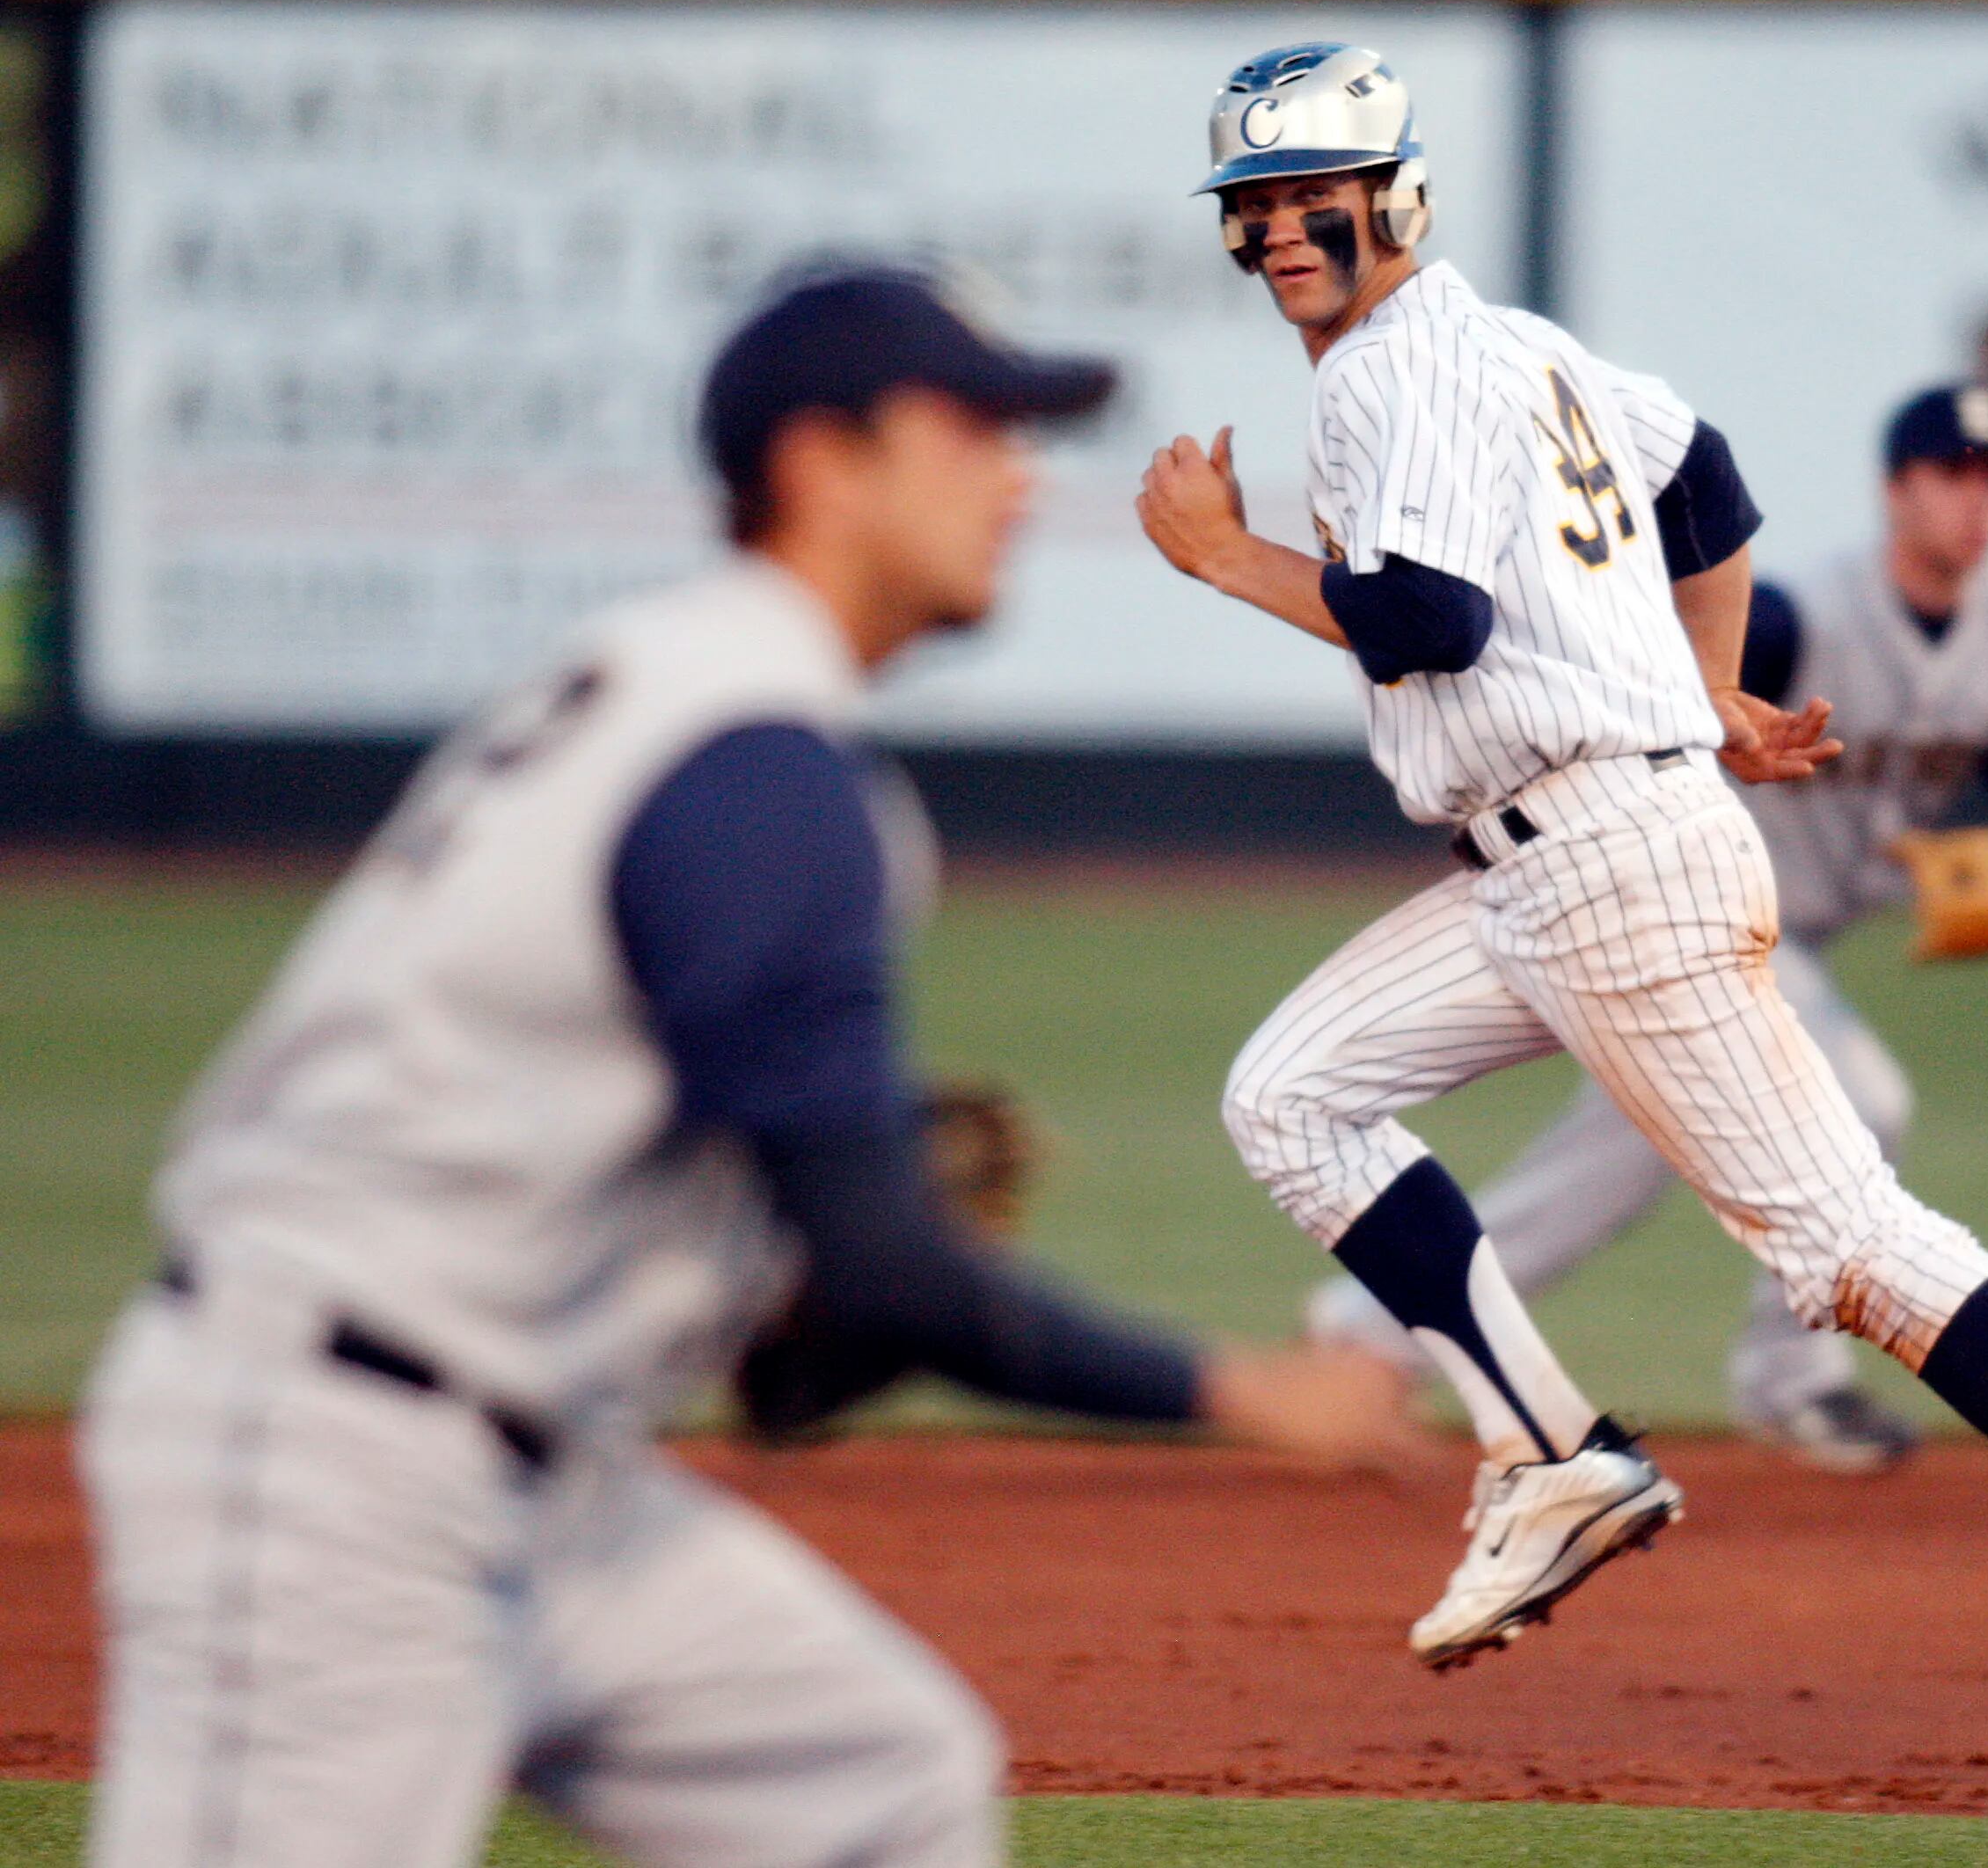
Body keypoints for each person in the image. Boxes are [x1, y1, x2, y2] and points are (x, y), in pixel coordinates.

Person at [79, 264, 1412, 1868]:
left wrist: (785, 1279)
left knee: (878, 1785)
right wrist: (1244, 1390)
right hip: (323, 1458)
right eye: (969, 430)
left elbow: (798, 1345)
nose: (1016, 476)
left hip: (549, 1474)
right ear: (817, 466)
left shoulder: (705, 698)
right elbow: (889, 1267)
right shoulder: (754, 764)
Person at [1134, 40, 1988, 1808]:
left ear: (1395, 196)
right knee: (1289, 1092)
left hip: (1609, 858)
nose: (1281, 229)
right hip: (1551, 853)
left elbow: (1430, 619)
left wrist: (1225, 562)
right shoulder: (1517, 350)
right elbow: (1705, 481)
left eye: (1312, 194)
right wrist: (1703, 692)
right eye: (1251, 204)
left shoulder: (1385, 375)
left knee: (1844, 1244)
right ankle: (1544, 1446)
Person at [1305, 381, 1988, 1477]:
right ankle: (1792, 1381)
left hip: (1771, 946)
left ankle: (1361, 1338)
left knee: (1613, 1158)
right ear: (1895, 490)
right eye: (1952, 472)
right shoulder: (1799, 617)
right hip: (1683, 908)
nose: (1977, 499)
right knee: (1862, 1103)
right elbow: (1640, 688)